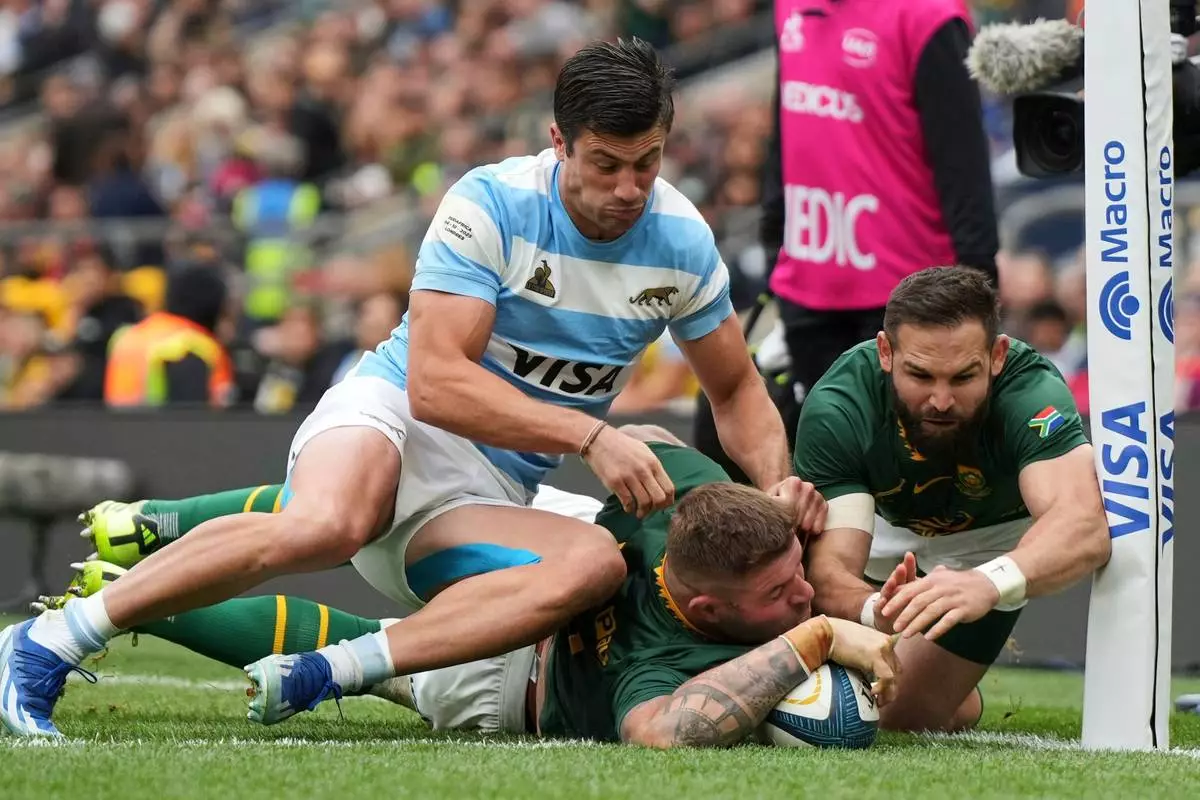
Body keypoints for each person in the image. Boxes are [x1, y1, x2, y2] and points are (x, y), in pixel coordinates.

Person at [0, 38, 792, 738]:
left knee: (597, 566)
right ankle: (49, 641)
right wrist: (590, 434)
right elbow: (436, 385)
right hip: (392, 413)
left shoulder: (682, 241)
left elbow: (737, 392)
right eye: (606, 165)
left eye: (647, 163)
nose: (628, 189)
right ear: (559, 143)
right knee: (328, 522)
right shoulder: (491, 204)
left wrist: (782, 486)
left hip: (486, 492)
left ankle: (335, 668)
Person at [38, 429, 900, 746]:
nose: (804, 594)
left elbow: (660, 438)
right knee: (375, 528)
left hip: (536, 648)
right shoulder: (671, 646)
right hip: (506, 673)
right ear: (710, 611)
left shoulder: (705, 517)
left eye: (798, 585)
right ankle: (152, 546)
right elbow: (662, 734)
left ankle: (124, 573)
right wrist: (813, 639)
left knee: (392, 530)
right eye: (785, 589)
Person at [795, 266, 1110, 733]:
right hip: (883, 530)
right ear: (886, 352)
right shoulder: (841, 403)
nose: (940, 400)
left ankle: (953, 694)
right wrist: (872, 610)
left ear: (997, 355)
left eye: (963, 377)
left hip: (988, 544)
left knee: (891, 720)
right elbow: (830, 571)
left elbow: (1084, 525)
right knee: (807, 692)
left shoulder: (1032, 391)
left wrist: (989, 581)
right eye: (920, 375)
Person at [695, 0, 1001, 479]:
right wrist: (778, 242)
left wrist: (979, 290)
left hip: (905, 302)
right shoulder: (789, 8)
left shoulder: (930, 17)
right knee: (826, 477)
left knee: (910, 477)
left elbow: (964, 166)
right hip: (809, 290)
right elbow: (785, 130)